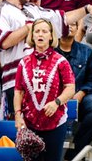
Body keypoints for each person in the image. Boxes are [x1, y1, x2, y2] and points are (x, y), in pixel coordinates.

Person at [12, 18, 75, 161]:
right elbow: (18, 91)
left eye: (45, 31)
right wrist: (17, 114)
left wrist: (57, 102)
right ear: (32, 36)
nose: (40, 34)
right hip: (30, 121)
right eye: (37, 31)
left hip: (55, 121)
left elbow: (70, 88)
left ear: (51, 36)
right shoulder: (24, 62)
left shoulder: (61, 61)